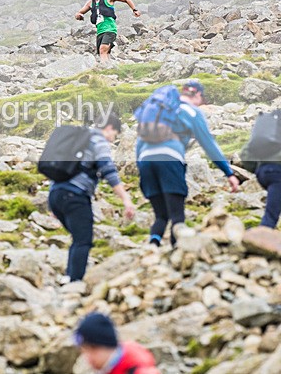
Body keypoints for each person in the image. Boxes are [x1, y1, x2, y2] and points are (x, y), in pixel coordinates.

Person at [137, 81, 240, 247]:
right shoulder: (192, 112)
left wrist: (141, 168)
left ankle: (152, 247)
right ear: (198, 95)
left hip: (146, 161)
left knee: (161, 216)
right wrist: (228, 173)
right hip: (170, 159)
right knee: (177, 215)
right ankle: (177, 253)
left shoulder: (160, 110)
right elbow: (209, 145)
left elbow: (140, 143)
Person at [48, 113, 136, 282]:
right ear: (109, 128)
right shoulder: (98, 140)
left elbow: (60, 169)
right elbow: (108, 171)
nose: (112, 140)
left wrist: (52, 205)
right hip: (75, 195)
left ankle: (70, 278)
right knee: (83, 239)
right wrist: (126, 199)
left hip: (56, 194)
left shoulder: (78, 140)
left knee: (78, 238)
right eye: (114, 135)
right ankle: (74, 282)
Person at [74, 0, 141, 63]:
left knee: (102, 49)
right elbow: (79, 13)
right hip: (100, 32)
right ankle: (110, 70)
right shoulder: (90, 3)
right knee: (104, 53)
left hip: (110, 29)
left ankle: (104, 68)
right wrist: (79, 16)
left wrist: (134, 10)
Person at [74, 312, 160, 374]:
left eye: (93, 349)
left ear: (107, 344)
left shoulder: (140, 371)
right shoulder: (109, 368)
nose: (88, 357)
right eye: (84, 350)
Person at [240, 114, 281, 228]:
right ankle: (257, 241)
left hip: (264, 172)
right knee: (271, 217)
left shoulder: (270, 124)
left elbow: (244, 153)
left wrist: (257, 170)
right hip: (277, 173)